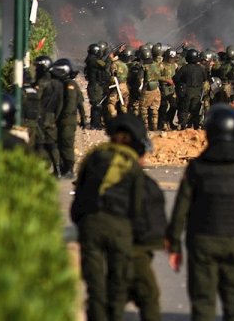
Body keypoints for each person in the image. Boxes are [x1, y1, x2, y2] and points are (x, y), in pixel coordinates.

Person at [166, 105, 234, 321]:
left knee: (203, 304)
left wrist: (173, 244)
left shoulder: (198, 167)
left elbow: (181, 207)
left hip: (203, 240)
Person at [70, 113, 148, 321]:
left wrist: (81, 221)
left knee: (95, 286)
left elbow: (79, 190)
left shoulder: (94, 155)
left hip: (91, 224)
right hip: (119, 226)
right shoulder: (131, 163)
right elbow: (138, 203)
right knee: (118, 282)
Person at [128, 152, 167, 321]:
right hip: (133, 249)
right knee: (149, 296)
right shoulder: (142, 182)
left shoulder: (95, 165)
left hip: (99, 247)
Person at [52, 58, 86, 178]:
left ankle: (69, 169)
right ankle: (63, 168)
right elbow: (80, 103)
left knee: (66, 144)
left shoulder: (69, 85)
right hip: (66, 119)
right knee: (61, 143)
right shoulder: (67, 84)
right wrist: (83, 119)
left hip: (66, 120)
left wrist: (59, 117)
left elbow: (71, 105)